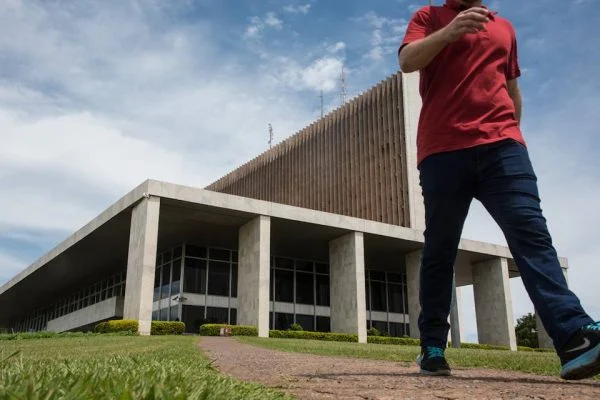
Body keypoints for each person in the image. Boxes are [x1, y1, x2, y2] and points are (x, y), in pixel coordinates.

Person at [398, 0, 599, 380]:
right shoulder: (429, 16)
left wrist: (512, 136)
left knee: (532, 237)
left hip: (503, 148)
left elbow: (511, 88)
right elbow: (408, 61)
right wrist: (451, 31)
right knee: (440, 248)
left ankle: (574, 337)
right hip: (443, 151)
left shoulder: (505, 27)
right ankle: (433, 346)